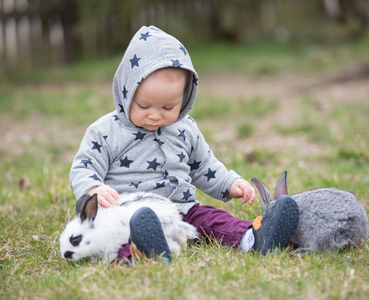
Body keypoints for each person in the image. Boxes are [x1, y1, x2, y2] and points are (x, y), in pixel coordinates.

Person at [69, 26, 299, 263]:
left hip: (182, 211)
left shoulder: (185, 128)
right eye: (144, 106)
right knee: (119, 239)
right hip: (128, 216)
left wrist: (230, 182)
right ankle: (143, 254)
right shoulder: (106, 132)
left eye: (168, 107)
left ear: (185, 98)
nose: (156, 115)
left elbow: (203, 165)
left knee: (212, 219)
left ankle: (253, 238)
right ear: (126, 92)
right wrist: (93, 189)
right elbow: (83, 168)